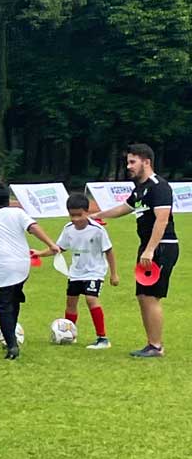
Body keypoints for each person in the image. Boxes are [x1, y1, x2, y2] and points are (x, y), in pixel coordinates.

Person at [90, 143, 180, 358]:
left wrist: (149, 251)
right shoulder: (140, 188)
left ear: (146, 162)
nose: (128, 166)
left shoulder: (159, 186)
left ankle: (156, 346)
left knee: (151, 297)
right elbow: (125, 208)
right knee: (142, 295)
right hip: (148, 247)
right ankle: (151, 344)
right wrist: (97, 215)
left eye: (132, 162)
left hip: (161, 247)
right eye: (128, 162)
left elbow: (162, 220)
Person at [0, 183, 60, 361]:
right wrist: (51, 244)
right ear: (8, 199)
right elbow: (33, 227)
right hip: (23, 265)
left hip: (2, 268)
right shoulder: (18, 213)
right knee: (13, 300)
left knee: (4, 307)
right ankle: (11, 336)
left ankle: (12, 345)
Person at [35, 193, 119, 349]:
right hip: (75, 272)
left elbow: (109, 251)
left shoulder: (97, 230)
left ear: (87, 212)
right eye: (71, 215)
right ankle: (69, 333)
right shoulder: (68, 229)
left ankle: (102, 338)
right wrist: (40, 253)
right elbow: (58, 248)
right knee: (70, 303)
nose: (75, 219)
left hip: (95, 271)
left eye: (79, 215)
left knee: (91, 299)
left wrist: (114, 274)